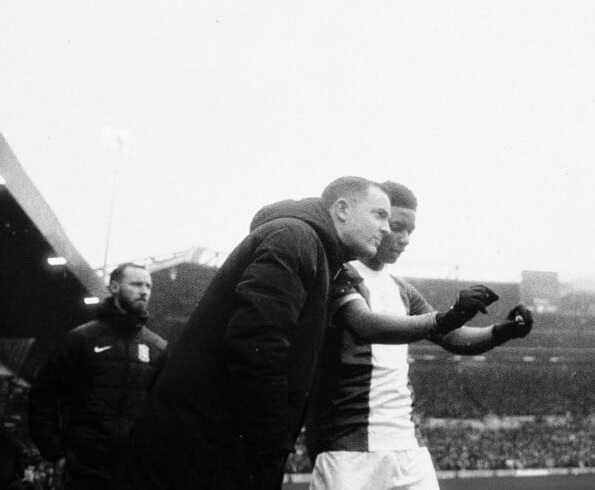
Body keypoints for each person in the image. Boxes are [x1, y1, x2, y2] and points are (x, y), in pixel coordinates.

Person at [113, 177, 392, 490]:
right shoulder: (295, 238)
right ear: (341, 209)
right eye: (379, 215)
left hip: (209, 446)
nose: (387, 229)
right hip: (207, 453)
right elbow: (257, 342)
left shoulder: (307, 245)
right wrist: (271, 443)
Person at [306, 181, 533, 490]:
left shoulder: (402, 289)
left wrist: (502, 331)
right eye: (396, 226)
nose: (403, 238)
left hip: (409, 448)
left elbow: (452, 337)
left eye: (410, 231)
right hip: (348, 450)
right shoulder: (338, 273)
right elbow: (366, 325)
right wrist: (447, 316)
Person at [27, 263, 167, 490]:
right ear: (113, 287)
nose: (144, 291)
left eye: (148, 286)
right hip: (82, 471)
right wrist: (54, 452)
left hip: (131, 473)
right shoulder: (81, 339)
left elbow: (164, 410)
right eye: (136, 284)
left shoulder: (158, 348)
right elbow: (42, 397)